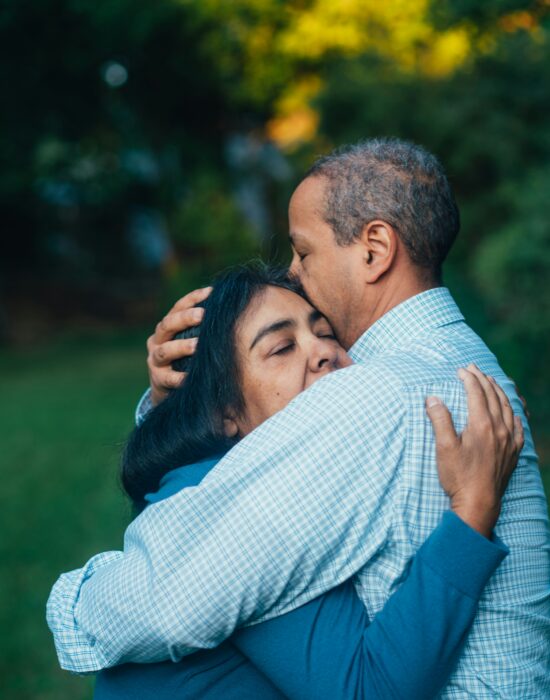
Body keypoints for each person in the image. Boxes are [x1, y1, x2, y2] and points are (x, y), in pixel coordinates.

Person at [47, 139, 550, 697]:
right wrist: (178, 405)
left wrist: (77, 600)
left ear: (375, 249)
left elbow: (166, 598)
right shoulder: (465, 368)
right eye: (280, 347)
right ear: (225, 409)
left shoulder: (375, 394)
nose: (294, 272)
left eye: (303, 253)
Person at [94, 263, 513, 699]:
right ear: (224, 414)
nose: (323, 352)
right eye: (281, 348)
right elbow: (368, 690)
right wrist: (472, 510)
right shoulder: (243, 513)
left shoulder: (238, 476)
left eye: (326, 332)